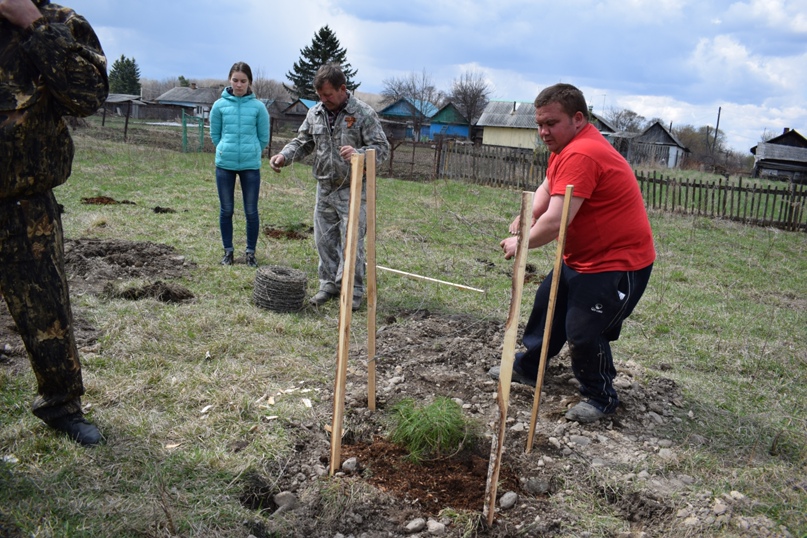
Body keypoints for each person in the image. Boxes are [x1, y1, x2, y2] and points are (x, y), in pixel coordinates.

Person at [492, 83, 655, 424]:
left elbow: (555, 223)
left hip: (616, 263)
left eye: (550, 123)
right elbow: (548, 187)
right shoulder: (566, 148)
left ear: (577, 118)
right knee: (546, 305)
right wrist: (529, 214)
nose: (543, 132)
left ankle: (601, 397)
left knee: (583, 330)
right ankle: (528, 368)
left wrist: (521, 244)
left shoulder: (583, 153)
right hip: (581, 256)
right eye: (539, 124)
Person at [0, 0, 107, 445]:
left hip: (24, 202)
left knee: (47, 310)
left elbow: (88, 96)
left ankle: (61, 404)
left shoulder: (62, 23)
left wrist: (35, 27)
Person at [270, 63, 389, 311]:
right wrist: (284, 156)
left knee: (352, 242)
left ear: (342, 88)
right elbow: (303, 142)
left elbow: (382, 149)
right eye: (320, 96)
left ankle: (353, 290)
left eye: (328, 95)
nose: (324, 100)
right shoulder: (315, 113)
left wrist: (359, 154)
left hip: (354, 189)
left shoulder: (363, 114)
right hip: (324, 188)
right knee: (324, 240)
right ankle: (329, 284)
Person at [209, 61, 270, 268]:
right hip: (224, 165)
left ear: (250, 82)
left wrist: (252, 151)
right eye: (235, 80)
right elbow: (215, 135)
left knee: (251, 211)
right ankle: (228, 252)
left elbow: (263, 137)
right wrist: (225, 149)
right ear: (229, 80)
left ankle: (250, 253)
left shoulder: (258, 108)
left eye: (243, 81)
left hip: (250, 166)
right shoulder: (219, 106)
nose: (239, 84)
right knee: (226, 210)